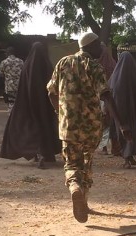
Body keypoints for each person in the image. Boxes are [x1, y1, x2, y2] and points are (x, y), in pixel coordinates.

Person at [46, 32, 131, 223]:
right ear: (91, 46)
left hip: (68, 126)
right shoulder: (95, 67)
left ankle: (74, 186)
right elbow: (106, 96)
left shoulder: (62, 63)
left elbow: (51, 92)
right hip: (91, 127)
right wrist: (121, 123)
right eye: (99, 44)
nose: (102, 48)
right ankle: (83, 199)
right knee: (86, 162)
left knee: (71, 163)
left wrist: (60, 113)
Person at [0, 42, 61, 169]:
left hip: (28, 102)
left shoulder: (27, 65)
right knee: (47, 126)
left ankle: (36, 153)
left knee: (30, 126)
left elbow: (23, 85)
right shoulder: (47, 65)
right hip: (45, 103)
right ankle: (47, 153)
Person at [109, 51, 136, 168]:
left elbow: (110, 93)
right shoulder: (135, 75)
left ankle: (127, 158)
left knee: (124, 133)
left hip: (121, 112)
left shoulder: (115, 76)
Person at [96, 42, 117, 155]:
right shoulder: (111, 63)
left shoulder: (96, 65)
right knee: (106, 122)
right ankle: (105, 146)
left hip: (104, 96)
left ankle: (106, 147)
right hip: (106, 96)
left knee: (105, 122)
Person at [0, 47, 24, 112]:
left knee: (11, 102)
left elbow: (1, 74)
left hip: (9, 86)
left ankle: (11, 118)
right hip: (19, 86)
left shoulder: (4, 62)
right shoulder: (21, 61)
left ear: (7, 53)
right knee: (19, 102)